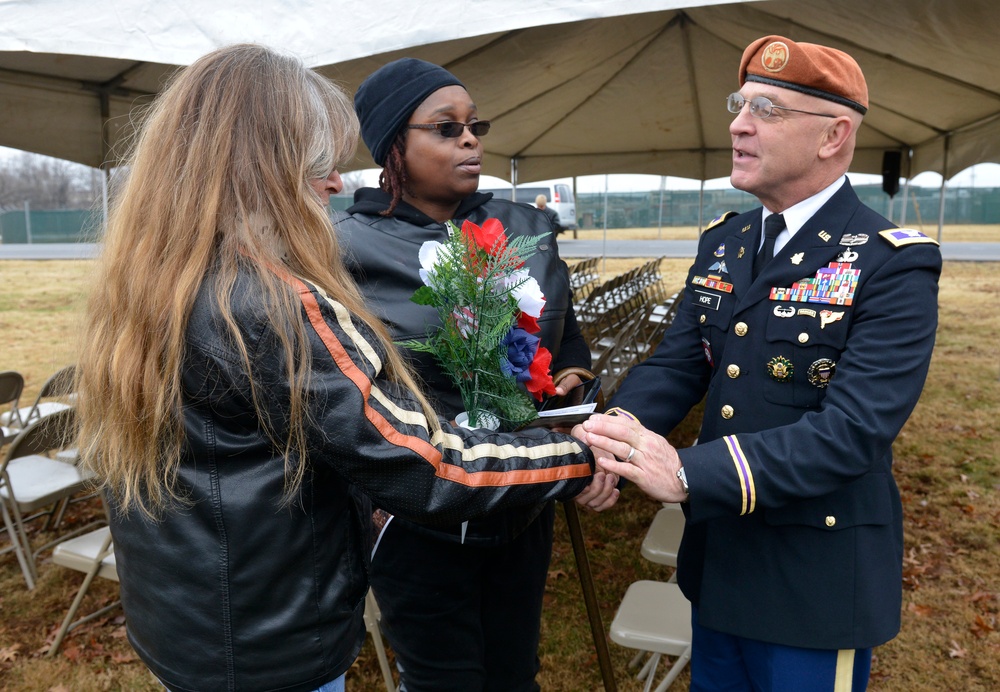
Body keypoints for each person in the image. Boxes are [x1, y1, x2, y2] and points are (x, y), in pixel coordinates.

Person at [74, 44, 600, 692]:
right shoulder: (271, 304)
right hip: (276, 642)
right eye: (318, 164)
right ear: (259, 167)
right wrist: (580, 456)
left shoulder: (159, 276)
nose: (332, 184)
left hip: (190, 627)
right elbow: (426, 467)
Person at [579, 36, 942, 691]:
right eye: (740, 105)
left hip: (813, 580)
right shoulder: (727, 240)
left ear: (834, 135)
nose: (737, 124)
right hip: (720, 563)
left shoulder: (892, 262)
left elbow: (853, 431)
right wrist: (615, 437)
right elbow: (679, 364)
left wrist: (685, 471)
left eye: (767, 111)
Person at [336, 57, 617, 692]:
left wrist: (571, 387)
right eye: (445, 127)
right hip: (419, 510)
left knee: (515, 670)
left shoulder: (524, 228)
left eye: (474, 125)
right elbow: (336, 385)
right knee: (445, 680)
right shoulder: (344, 248)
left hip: (522, 494)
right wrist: (375, 503)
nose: (470, 139)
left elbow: (565, 329)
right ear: (393, 148)